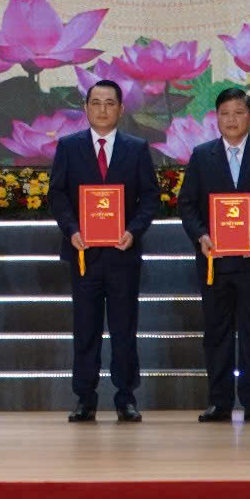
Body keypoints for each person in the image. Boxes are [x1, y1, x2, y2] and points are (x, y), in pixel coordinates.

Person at [177, 86, 250, 423]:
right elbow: (187, 203)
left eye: (238, 113)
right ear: (217, 118)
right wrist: (201, 235)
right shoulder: (202, 155)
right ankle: (219, 402)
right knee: (217, 333)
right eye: (225, 114)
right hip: (214, 262)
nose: (231, 120)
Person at [48, 78, 157, 422]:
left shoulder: (136, 148)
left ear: (121, 109)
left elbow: (150, 197)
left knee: (124, 329)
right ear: (85, 108)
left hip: (123, 253)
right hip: (83, 254)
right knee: (86, 328)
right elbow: (57, 194)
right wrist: (72, 230)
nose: (102, 110)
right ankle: (85, 398)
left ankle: (126, 397)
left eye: (110, 103)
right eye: (96, 103)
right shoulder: (69, 147)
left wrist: (133, 231)